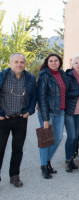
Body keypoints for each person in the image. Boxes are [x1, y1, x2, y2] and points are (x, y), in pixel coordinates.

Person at [0, 53, 36, 187]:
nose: (19, 64)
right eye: (16, 62)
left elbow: (33, 97)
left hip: (20, 119)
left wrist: (29, 111)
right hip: (3, 119)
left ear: (25, 64)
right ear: (10, 63)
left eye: (22, 62)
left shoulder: (30, 78)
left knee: (18, 149)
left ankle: (14, 175)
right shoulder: (2, 76)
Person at [37, 53, 67, 179]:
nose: (54, 63)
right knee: (46, 140)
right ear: (47, 63)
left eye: (56, 60)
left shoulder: (62, 74)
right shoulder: (44, 75)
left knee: (58, 138)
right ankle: (44, 166)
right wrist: (45, 118)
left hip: (60, 111)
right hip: (48, 112)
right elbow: (41, 98)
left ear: (59, 62)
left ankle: (47, 161)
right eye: (51, 61)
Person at [64, 55, 79, 172]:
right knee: (71, 136)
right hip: (70, 112)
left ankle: (72, 159)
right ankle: (68, 160)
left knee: (76, 137)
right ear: (72, 65)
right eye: (76, 63)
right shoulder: (68, 77)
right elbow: (66, 94)